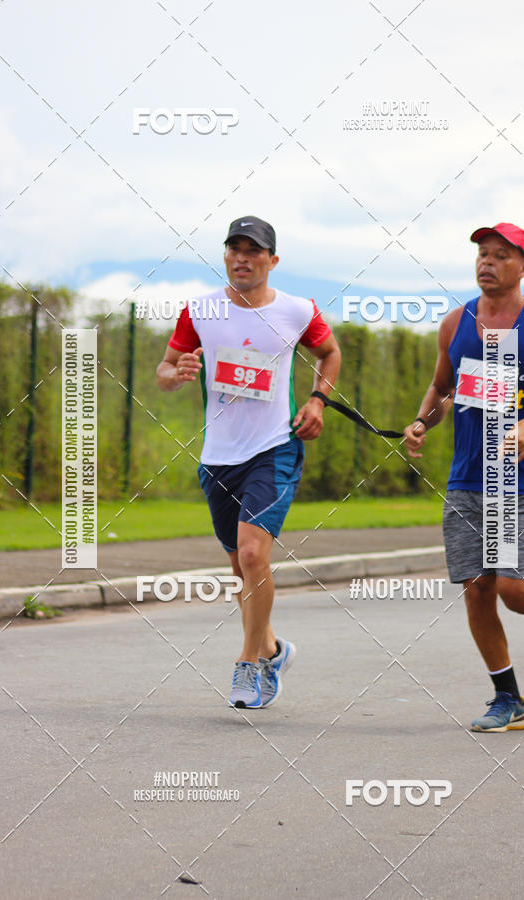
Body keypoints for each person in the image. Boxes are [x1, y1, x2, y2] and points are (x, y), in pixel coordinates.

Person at [404, 223, 524, 732]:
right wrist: (422, 421)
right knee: (477, 586)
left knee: (510, 584)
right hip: (467, 477)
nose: (488, 262)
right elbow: (442, 389)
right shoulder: (455, 323)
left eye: (501, 255)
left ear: (523, 266)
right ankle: (508, 698)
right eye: (483, 254)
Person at [157, 215, 341, 709]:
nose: (242, 257)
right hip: (218, 456)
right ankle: (274, 650)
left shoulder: (297, 311)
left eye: (253, 250)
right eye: (234, 248)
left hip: (274, 448)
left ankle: (250, 665)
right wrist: (178, 371)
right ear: (225, 256)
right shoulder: (200, 311)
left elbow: (330, 353)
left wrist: (318, 401)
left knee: (255, 554)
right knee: (241, 566)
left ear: (272, 260)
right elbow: (164, 368)